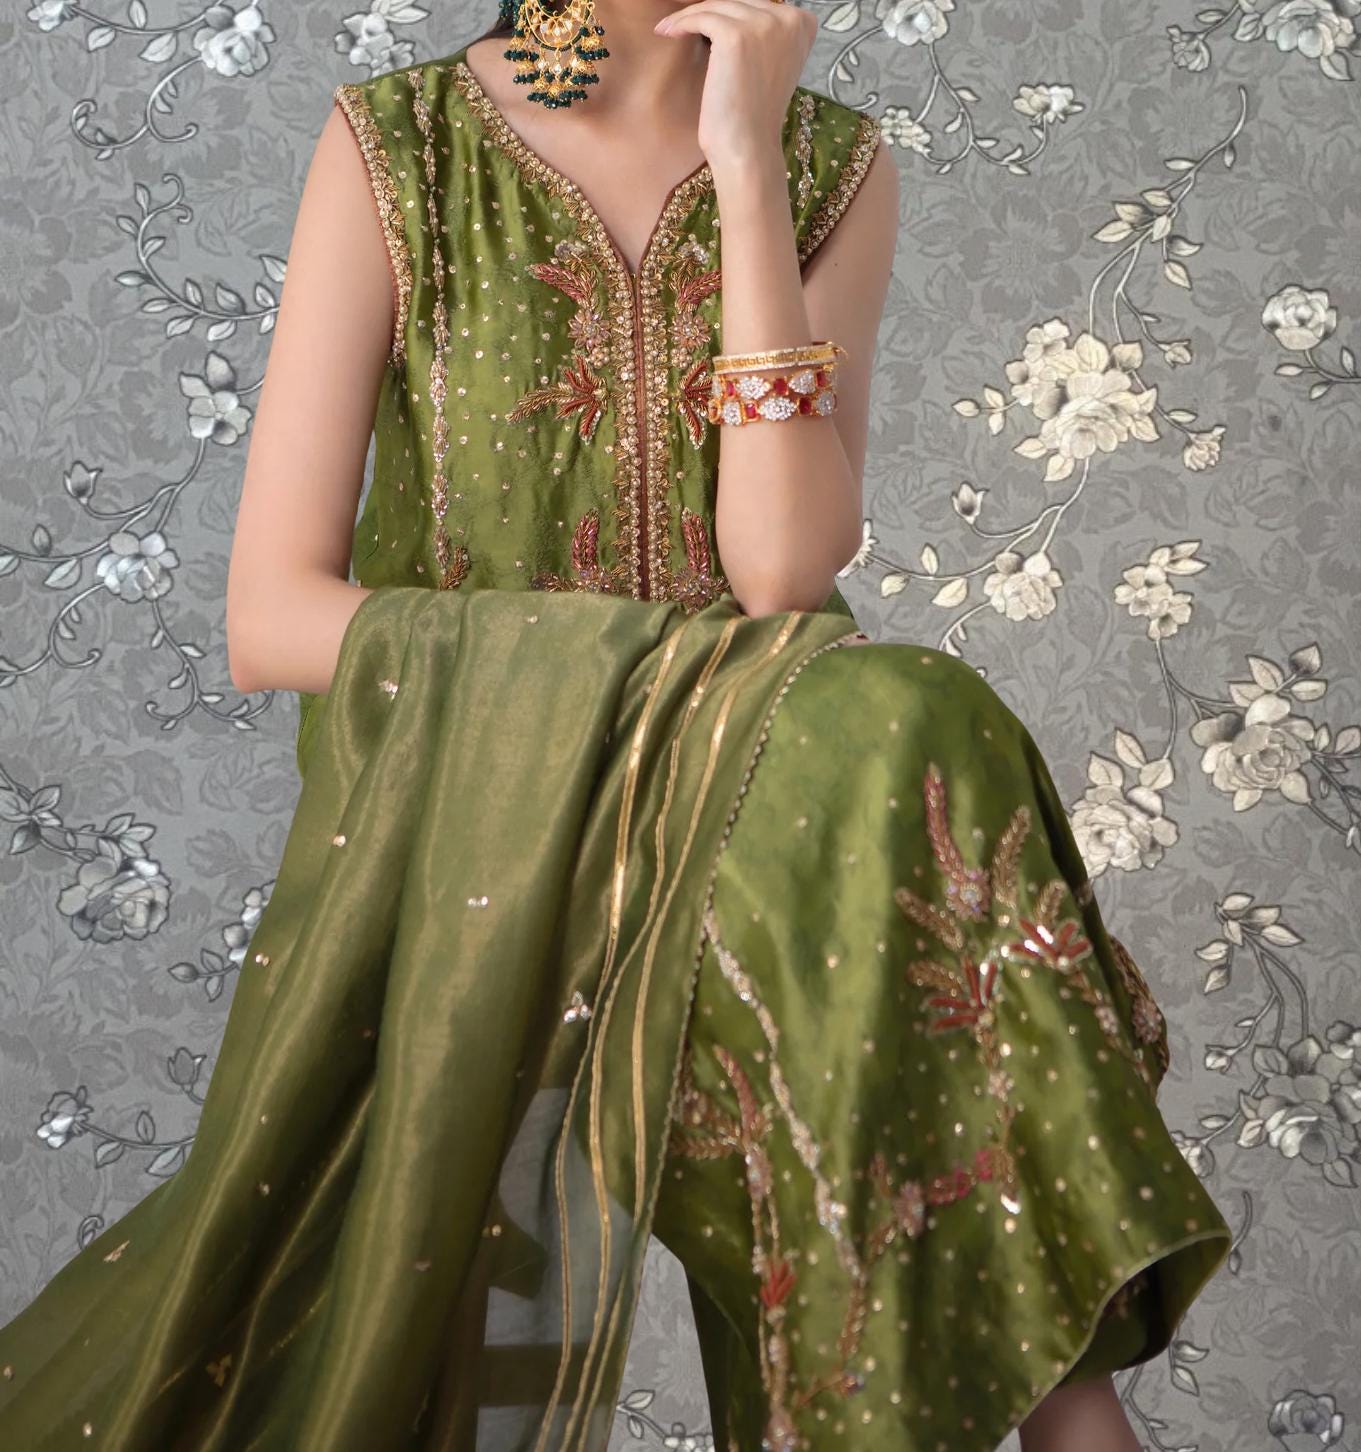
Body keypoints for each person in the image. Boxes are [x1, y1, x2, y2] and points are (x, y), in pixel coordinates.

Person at [0, 3, 1233, 1449]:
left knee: (900, 735)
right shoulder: (397, 149)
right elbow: (270, 618)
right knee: (897, 739)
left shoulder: (834, 165)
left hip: (778, 805)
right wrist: (655, 692)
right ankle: (1072, 1426)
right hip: (479, 809)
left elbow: (778, 572)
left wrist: (748, 166)